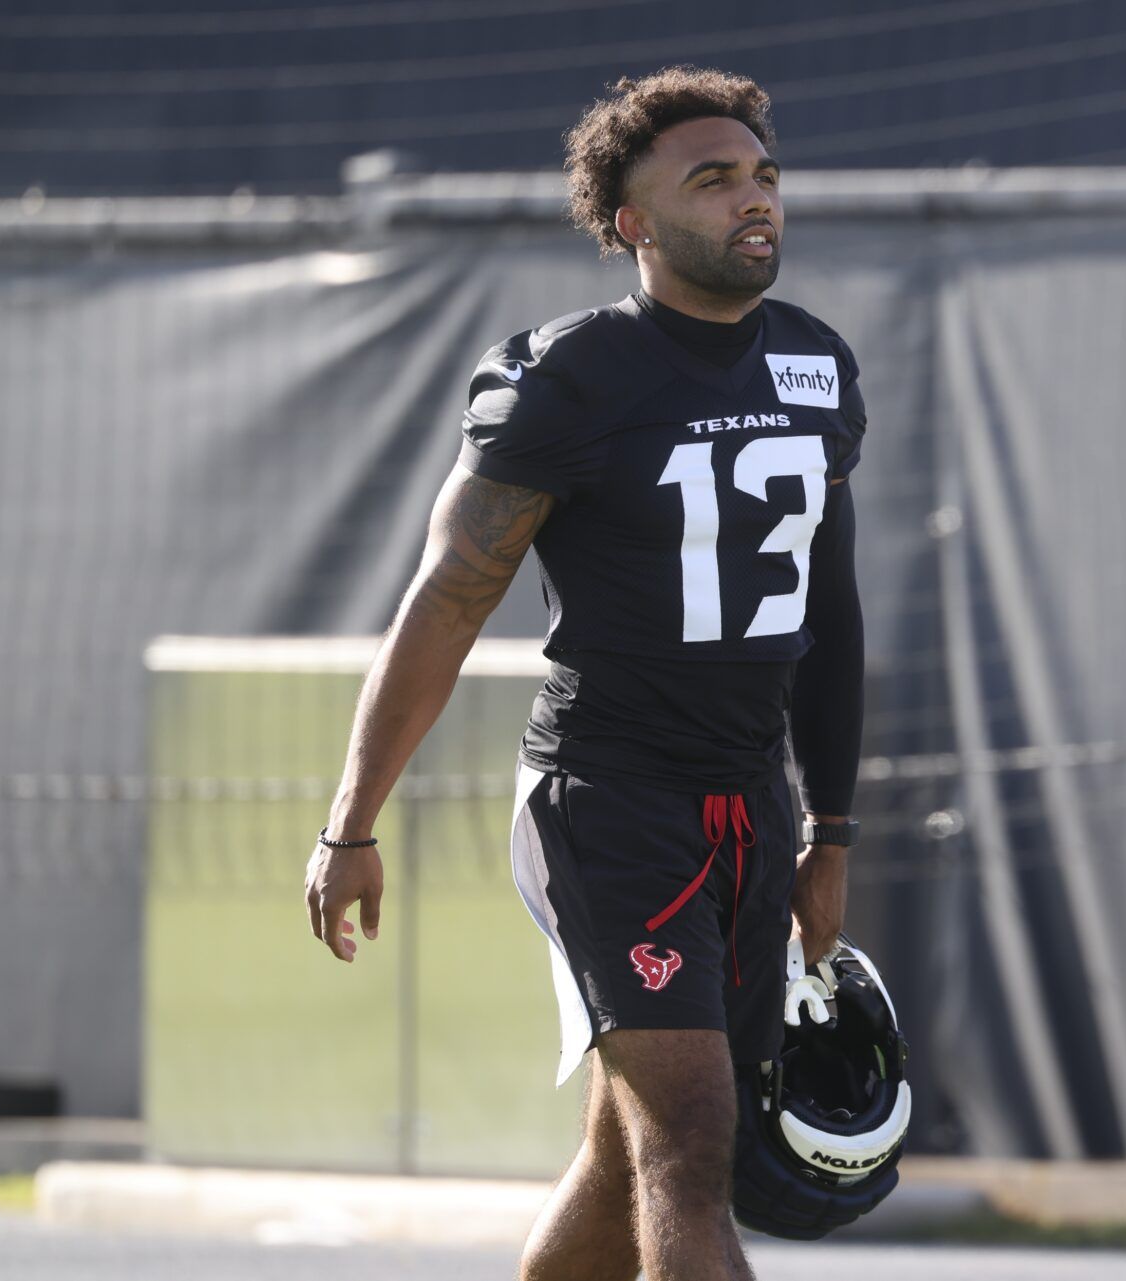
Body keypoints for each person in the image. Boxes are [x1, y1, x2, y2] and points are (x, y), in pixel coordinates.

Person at [302, 66, 866, 1281]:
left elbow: (833, 612)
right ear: (634, 225)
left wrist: (832, 828)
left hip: (750, 804)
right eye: (710, 181)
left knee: (629, 1160)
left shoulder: (816, 367)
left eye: (763, 174)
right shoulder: (567, 378)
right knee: (692, 1142)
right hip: (611, 801)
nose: (752, 199)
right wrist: (351, 823)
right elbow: (449, 598)